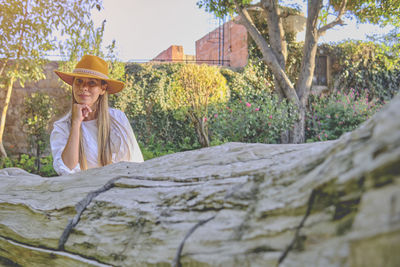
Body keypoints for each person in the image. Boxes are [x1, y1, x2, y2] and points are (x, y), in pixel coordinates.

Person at [50, 55, 144, 176]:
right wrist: (76, 123)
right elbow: (66, 168)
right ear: (73, 85)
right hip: (79, 191)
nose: (84, 88)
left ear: (103, 89)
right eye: (79, 81)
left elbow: (133, 162)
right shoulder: (63, 126)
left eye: (92, 83)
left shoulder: (117, 119)